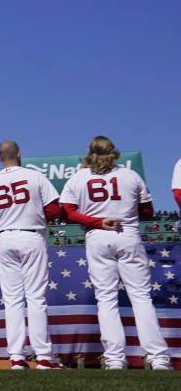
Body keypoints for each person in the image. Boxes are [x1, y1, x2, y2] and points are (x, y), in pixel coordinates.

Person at [59, 136, 171, 370]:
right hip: (128, 233)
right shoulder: (130, 175)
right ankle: (158, 358)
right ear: (114, 152)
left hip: (98, 236)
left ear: (89, 153)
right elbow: (148, 210)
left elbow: (67, 212)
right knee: (141, 298)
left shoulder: (79, 177)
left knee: (106, 299)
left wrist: (97, 221)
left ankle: (115, 358)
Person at [0, 141, 64, 370]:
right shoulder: (34, 176)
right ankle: (44, 357)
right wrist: (34, 213)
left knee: (13, 301)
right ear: (18, 154)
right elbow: (55, 210)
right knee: (36, 298)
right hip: (30, 235)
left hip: (5, 238)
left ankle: (17, 357)